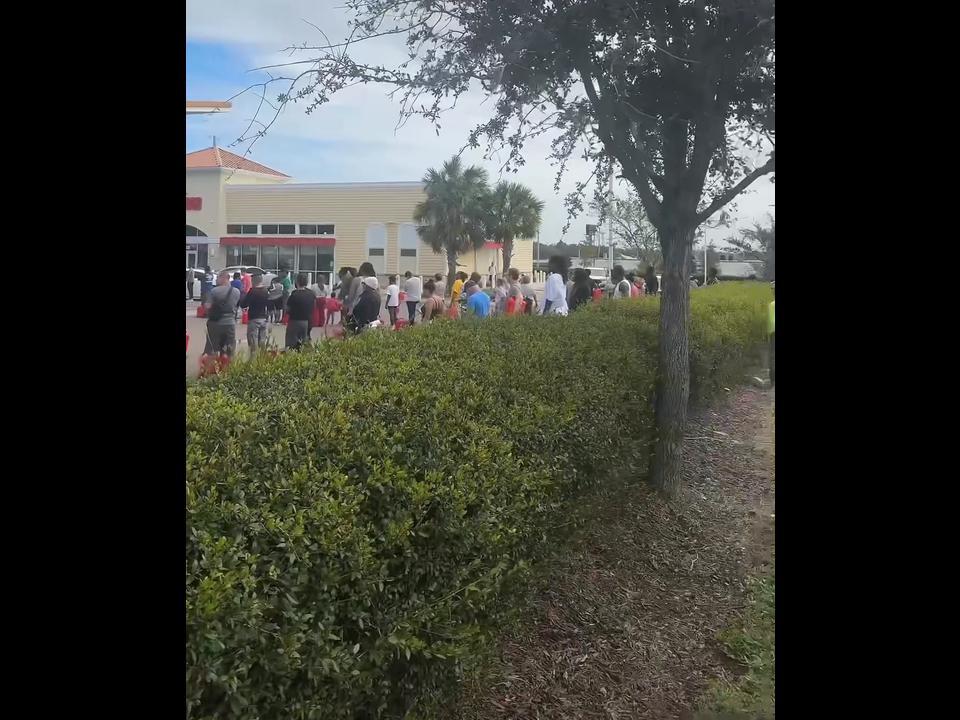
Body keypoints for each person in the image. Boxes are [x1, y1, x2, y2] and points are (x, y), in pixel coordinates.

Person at [202, 271, 241, 357]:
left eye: (217, 278)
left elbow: (207, 306)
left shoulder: (214, 291)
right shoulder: (237, 292)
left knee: (213, 347)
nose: (216, 280)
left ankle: (214, 367)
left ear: (223, 278)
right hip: (230, 323)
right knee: (229, 347)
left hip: (215, 324)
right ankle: (228, 366)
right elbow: (236, 306)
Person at [239, 273, 270, 356]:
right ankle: (263, 359)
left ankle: (253, 361)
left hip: (254, 318)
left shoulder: (252, 291)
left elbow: (244, 304)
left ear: (254, 281)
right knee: (262, 341)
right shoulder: (266, 291)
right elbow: (269, 304)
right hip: (264, 318)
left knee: (253, 342)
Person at [285, 273, 316, 350]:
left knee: (291, 344)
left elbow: (288, 309)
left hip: (295, 321)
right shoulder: (311, 294)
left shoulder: (294, 295)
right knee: (304, 342)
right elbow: (314, 306)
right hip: (308, 321)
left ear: (297, 282)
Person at [768, 282, 775, 387]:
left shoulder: (772, 305)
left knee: (773, 357)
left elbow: (771, 322)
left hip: (774, 333)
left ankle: (773, 380)